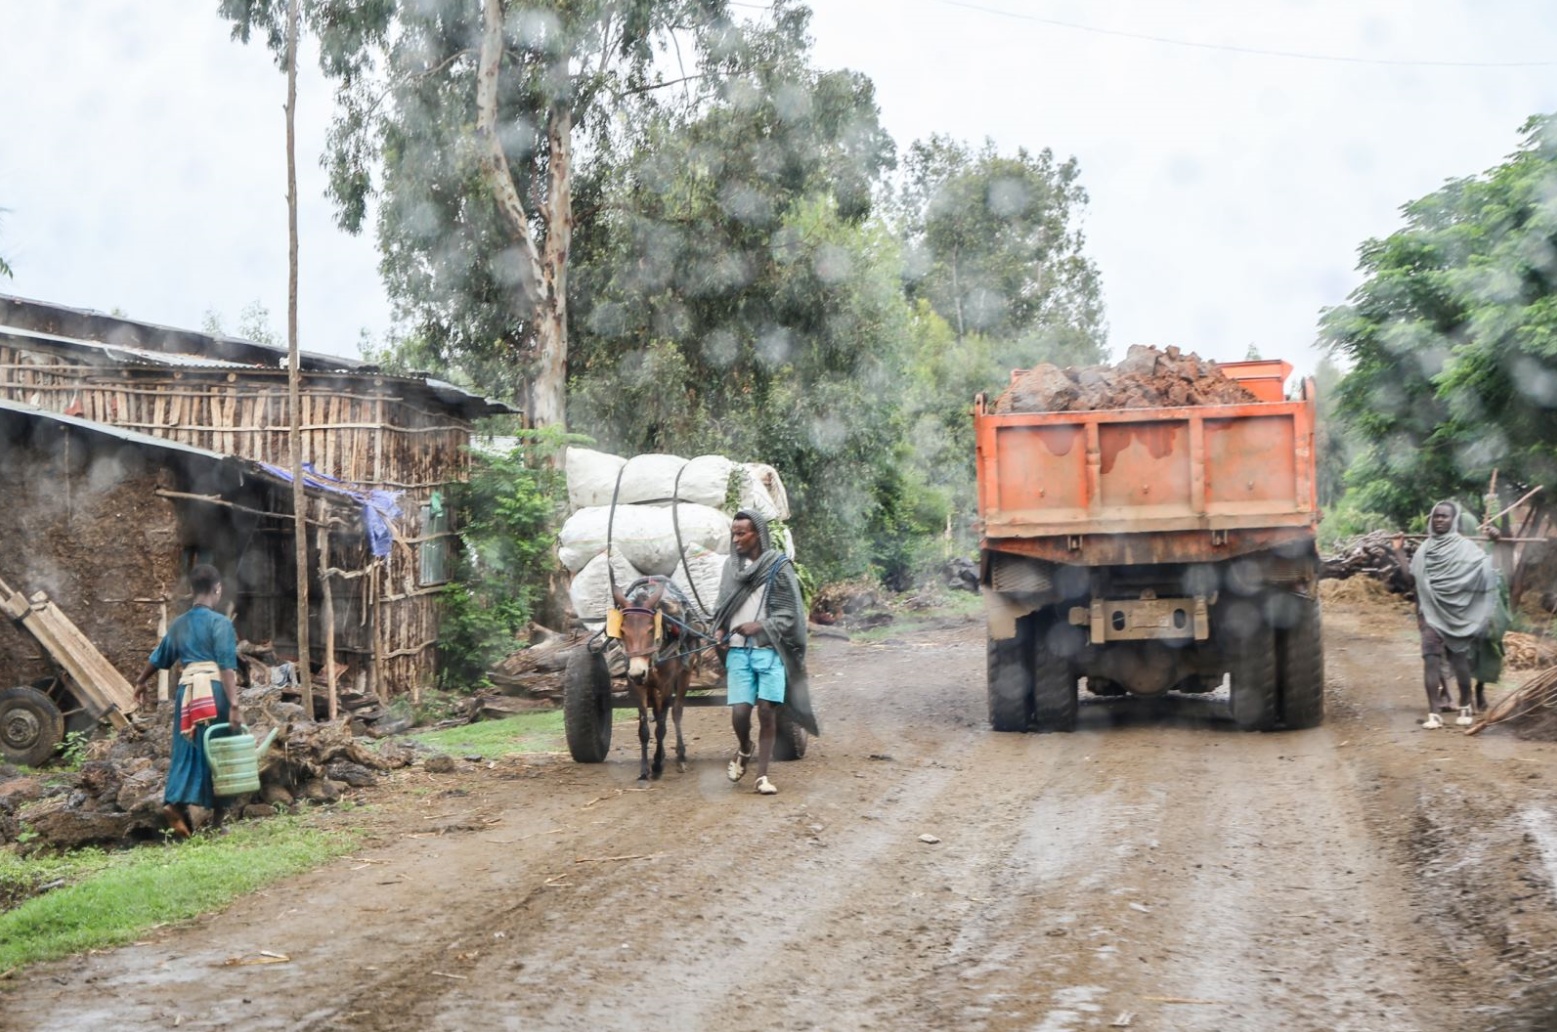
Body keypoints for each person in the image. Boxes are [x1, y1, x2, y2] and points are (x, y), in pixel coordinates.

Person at [711, 509, 819, 796]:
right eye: (733, 533)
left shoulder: (778, 566)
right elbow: (721, 607)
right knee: (740, 712)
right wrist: (720, 631)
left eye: (741, 533)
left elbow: (790, 615)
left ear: (757, 534)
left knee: (767, 711)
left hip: (768, 651)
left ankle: (762, 776)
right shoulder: (729, 569)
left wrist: (760, 625)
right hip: (737, 652)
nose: (735, 539)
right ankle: (745, 747)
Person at [133, 564, 243, 837]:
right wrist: (235, 704)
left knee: (187, 749)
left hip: (188, 696)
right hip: (214, 691)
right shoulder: (221, 623)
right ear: (217, 589)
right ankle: (218, 823)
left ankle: (174, 803)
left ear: (192, 591)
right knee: (220, 749)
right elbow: (227, 666)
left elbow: (160, 657)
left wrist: (140, 681)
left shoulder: (180, 624)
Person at [1393, 501, 1500, 729]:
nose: (1439, 520)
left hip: (1457, 614)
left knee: (1459, 661)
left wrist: (1494, 543)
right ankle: (1434, 713)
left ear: (1454, 521)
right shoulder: (1424, 550)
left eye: (1445, 517)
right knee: (1430, 660)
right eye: (1436, 516)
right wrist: (1399, 551)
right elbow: (1411, 580)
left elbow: (1486, 570)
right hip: (1430, 613)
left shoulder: (1467, 548)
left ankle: (1464, 704)